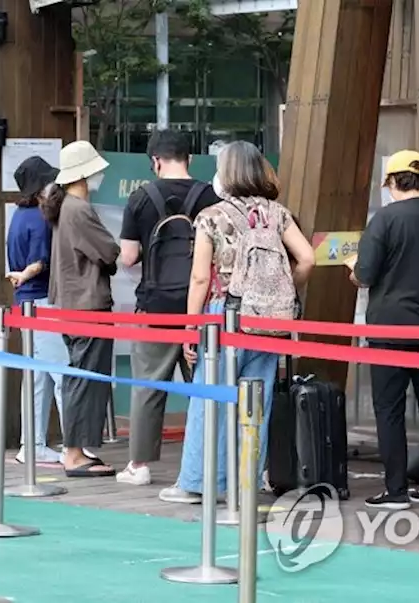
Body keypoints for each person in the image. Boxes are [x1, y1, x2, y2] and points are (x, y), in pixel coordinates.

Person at [162, 141, 313, 503]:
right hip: (268, 321)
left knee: (209, 399)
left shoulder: (212, 216)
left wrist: (189, 328)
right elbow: (307, 258)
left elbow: (200, 279)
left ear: (226, 173)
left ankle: (196, 483)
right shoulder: (278, 214)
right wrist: (282, 292)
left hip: (223, 316)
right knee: (254, 403)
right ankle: (244, 482)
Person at [350, 150, 419, 510]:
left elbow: (364, 274)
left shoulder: (384, 220)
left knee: (389, 410)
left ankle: (395, 490)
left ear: (394, 182)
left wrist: (353, 269)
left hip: (390, 329)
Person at [116, 129, 216, 487]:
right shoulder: (210, 196)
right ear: (189, 158)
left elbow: (127, 257)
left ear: (155, 161)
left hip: (155, 305)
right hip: (202, 309)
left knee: (148, 386)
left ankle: (139, 465)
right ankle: (211, 462)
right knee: (207, 387)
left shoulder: (141, 197)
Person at [43, 140, 119, 477]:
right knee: (84, 378)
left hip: (70, 304)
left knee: (78, 375)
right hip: (89, 306)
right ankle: (74, 452)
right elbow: (109, 251)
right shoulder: (79, 209)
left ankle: (75, 450)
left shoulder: (62, 209)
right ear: (86, 173)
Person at [7, 156, 69, 465]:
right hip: (44, 301)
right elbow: (41, 261)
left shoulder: (18, 216)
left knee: (36, 377)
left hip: (24, 305)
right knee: (62, 373)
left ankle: (31, 443)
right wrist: (26, 275)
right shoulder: (41, 219)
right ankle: (73, 447)